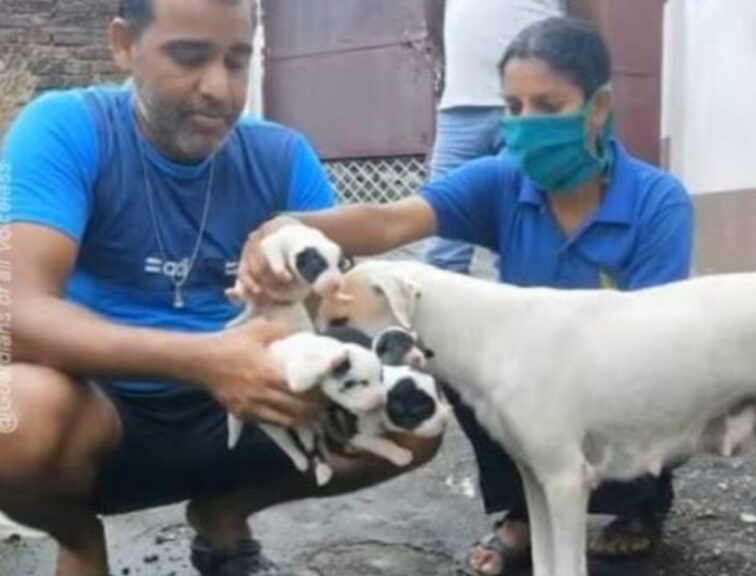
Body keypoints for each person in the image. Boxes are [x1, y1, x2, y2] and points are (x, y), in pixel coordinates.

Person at [239, 17, 694, 576]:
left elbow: (657, 341)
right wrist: (284, 226)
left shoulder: (657, 202)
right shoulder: (502, 181)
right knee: (458, 360)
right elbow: (387, 222)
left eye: (548, 107)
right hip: (535, 385)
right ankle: (523, 510)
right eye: (514, 107)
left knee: (672, 392)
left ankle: (637, 509)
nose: (524, 126)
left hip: (623, 385)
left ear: (598, 108)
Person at [0, 1, 440, 575]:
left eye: (237, 61)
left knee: (417, 417)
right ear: (124, 46)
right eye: (188, 57)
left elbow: (339, 317)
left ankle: (224, 514)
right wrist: (205, 360)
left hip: (248, 407)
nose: (218, 88)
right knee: (11, 412)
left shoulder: (279, 156)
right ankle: (79, 539)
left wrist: (355, 333)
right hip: (101, 410)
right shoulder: (68, 128)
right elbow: (16, 311)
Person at [420, 0, 603, 276]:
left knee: (522, 236)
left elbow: (584, 24)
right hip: (461, 105)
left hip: (535, 111)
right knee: (443, 243)